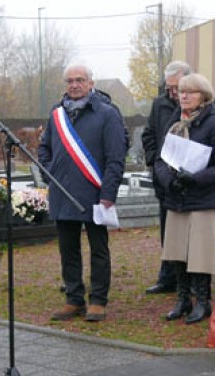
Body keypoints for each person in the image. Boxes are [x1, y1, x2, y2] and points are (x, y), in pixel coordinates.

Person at [39, 62, 127, 322]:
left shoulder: (107, 114)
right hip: (63, 193)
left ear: (91, 83)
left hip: (96, 193)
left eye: (80, 80)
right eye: (69, 81)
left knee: (99, 249)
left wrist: (108, 194)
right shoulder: (57, 115)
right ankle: (73, 298)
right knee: (68, 250)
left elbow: (115, 158)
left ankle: (98, 300)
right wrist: (50, 174)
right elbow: (44, 149)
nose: (74, 85)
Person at [154, 73, 215, 324]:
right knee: (177, 250)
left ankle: (202, 301)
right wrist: (168, 180)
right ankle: (182, 299)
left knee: (200, 253)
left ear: (204, 96)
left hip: (203, 198)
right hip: (176, 197)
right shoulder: (174, 122)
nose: (184, 96)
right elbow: (160, 158)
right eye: (181, 92)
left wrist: (195, 178)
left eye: (191, 92)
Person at [141, 60, 192, 295]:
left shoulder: (202, 102)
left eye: (176, 87)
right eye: (169, 87)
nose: (172, 92)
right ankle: (168, 276)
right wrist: (155, 160)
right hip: (164, 179)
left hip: (191, 180)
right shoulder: (159, 104)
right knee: (167, 230)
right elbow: (149, 134)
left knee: (191, 233)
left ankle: (192, 280)